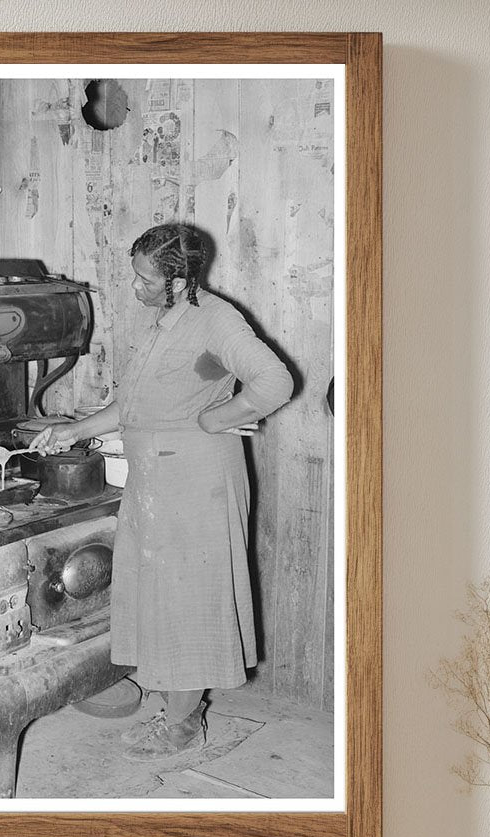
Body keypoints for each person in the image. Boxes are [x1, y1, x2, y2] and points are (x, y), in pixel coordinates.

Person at [29, 224, 293, 760]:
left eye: (147, 280)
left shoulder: (218, 321)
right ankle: (176, 707)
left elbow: (276, 382)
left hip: (199, 481)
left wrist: (219, 417)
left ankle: (182, 724)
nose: (137, 288)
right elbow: (134, 404)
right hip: (155, 478)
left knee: (191, 601)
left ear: (181, 278)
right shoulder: (161, 321)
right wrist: (74, 430)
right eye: (136, 276)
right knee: (158, 597)